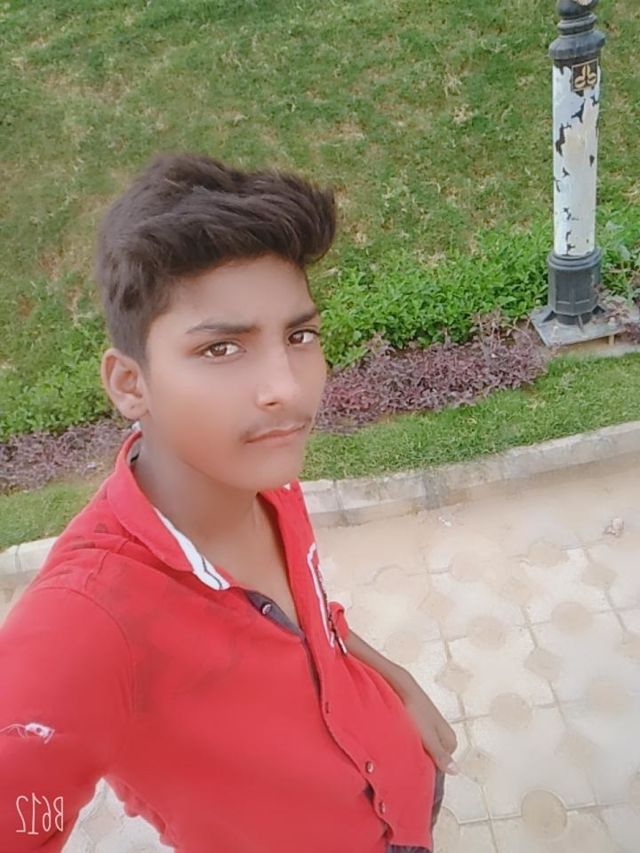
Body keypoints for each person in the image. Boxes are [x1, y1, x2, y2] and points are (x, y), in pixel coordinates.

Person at [0, 152, 458, 852]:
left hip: (405, 787)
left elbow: (311, 616)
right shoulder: (87, 621)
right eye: (221, 349)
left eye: (299, 336)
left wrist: (397, 686)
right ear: (130, 384)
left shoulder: (264, 478)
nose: (287, 388)